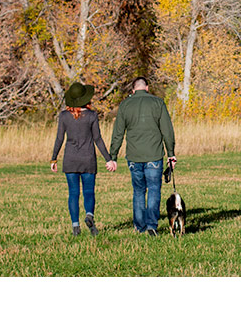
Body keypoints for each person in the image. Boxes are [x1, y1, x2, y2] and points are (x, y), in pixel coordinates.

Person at [108, 77, 176, 236]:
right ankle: (152, 225)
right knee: (154, 189)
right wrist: (171, 154)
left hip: (134, 156)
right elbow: (167, 131)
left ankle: (139, 226)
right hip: (154, 155)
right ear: (147, 87)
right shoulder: (158, 103)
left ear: (133, 90)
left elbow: (118, 133)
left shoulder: (125, 105)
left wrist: (113, 156)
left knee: (138, 191)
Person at [51, 82, 117, 236]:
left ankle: (75, 226)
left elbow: (59, 139)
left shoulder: (64, 116)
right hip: (88, 159)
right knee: (89, 191)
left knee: (73, 193)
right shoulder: (92, 116)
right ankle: (89, 216)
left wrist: (53, 159)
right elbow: (98, 139)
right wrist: (108, 159)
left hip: (70, 160)